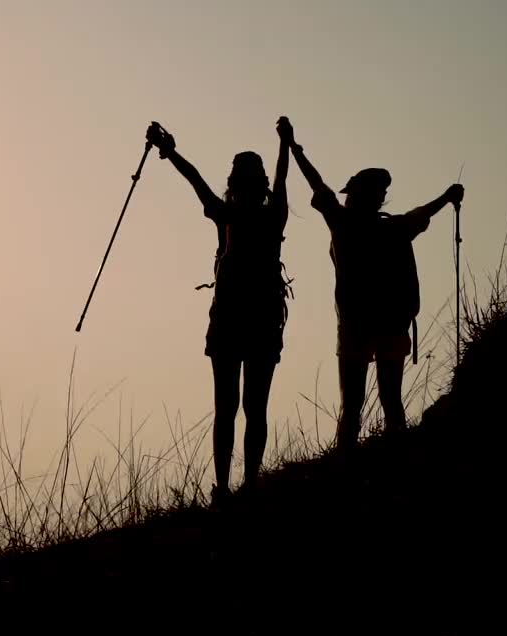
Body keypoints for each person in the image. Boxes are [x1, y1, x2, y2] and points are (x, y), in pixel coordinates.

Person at [285, 122, 463, 449]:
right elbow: (422, 213)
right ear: (376, 197)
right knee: (390, 403)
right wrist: (448, 197)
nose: (381, 197)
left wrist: (294, 148)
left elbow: (318, 185)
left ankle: (344, 466)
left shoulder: (344, 223)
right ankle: (397, 459)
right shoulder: (392, 229)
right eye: (379, 193)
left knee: (352, 407)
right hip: (389, 324)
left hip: (356, 324)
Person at [146, 118, 293, 505]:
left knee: (227, 407)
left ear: (234, 183)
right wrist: (285, 144)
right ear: (258, 184)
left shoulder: (225, 215)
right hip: (260, 319)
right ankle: (248, 485)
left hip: (230, 320)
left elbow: (194, 178)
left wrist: (170, 151)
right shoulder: (273, 214)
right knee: (252, 407)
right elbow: (280, 179)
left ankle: (226, 488)